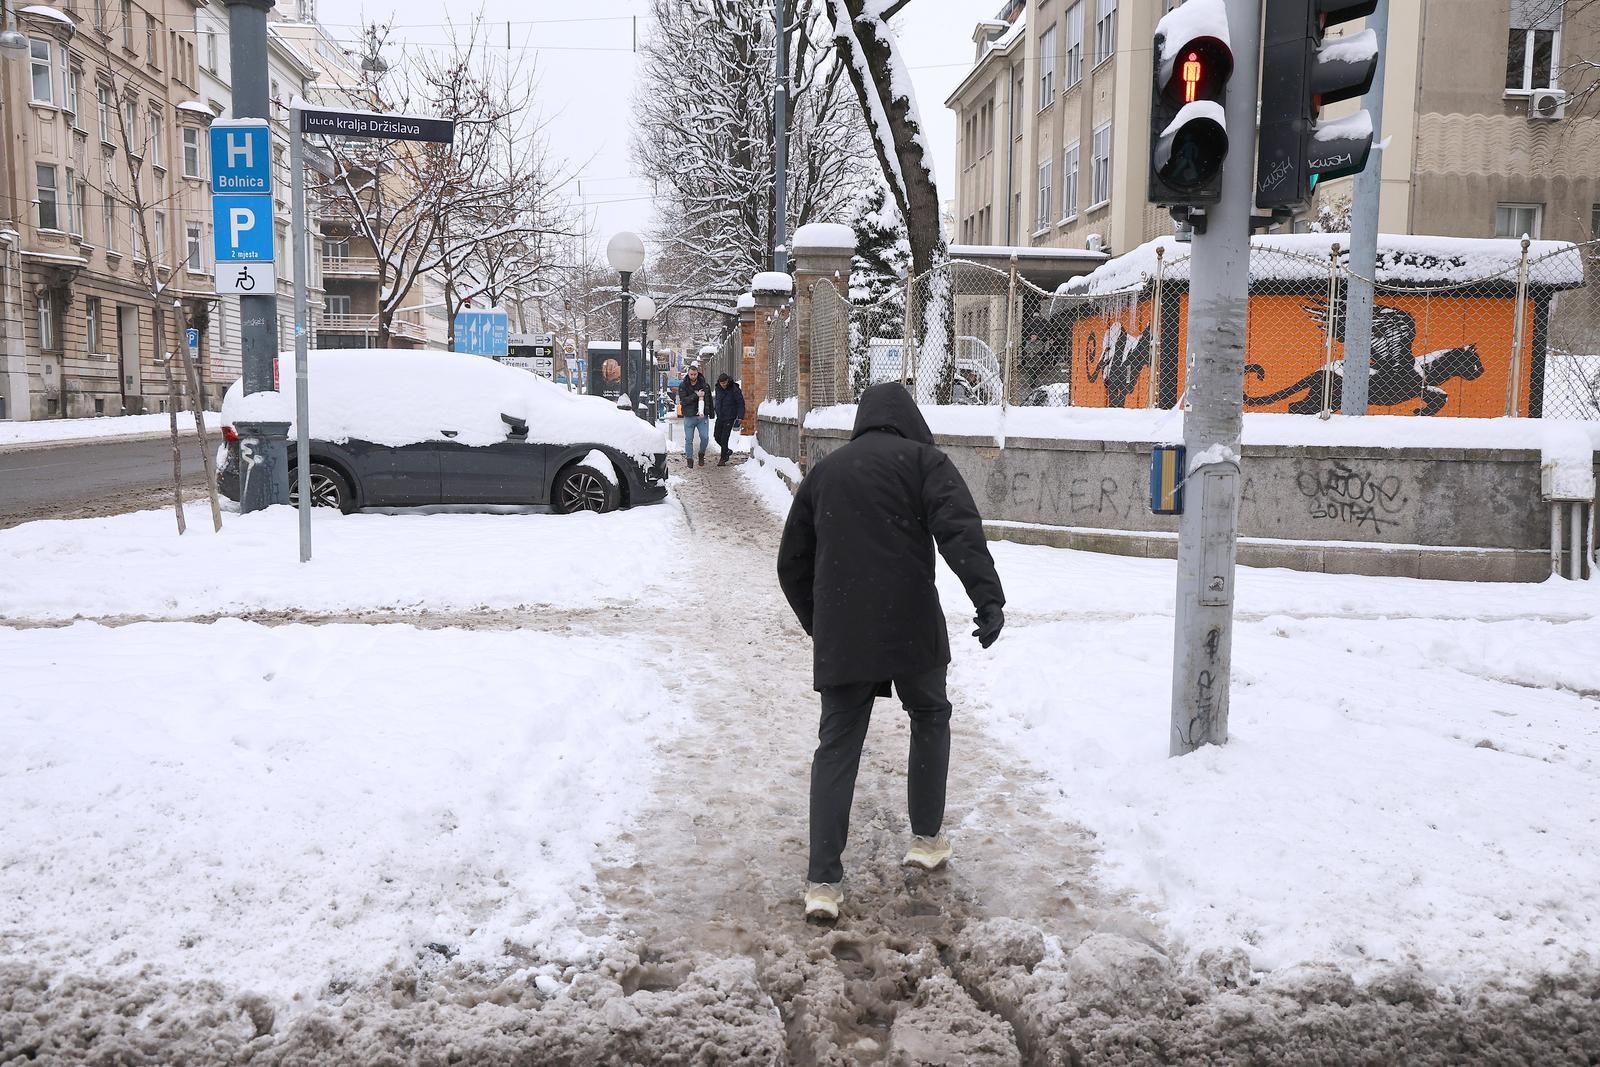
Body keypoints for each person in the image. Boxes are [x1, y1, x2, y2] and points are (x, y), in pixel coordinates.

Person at [776, 383, 1005, 922]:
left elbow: (791, 563)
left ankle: (823, 884)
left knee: (837, 745)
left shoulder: (825, 473)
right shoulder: (924, 462)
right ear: (909, 420)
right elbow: (960, 532)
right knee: (930, 714)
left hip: (845, 630)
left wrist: (821, 623)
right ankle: (926, 840)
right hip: (911, 624)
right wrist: (987, 599)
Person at [679, 364, 711, 467]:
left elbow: (709, 399)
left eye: (695, 374)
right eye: (691, 374)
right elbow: (683, 401)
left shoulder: (704, 385)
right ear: (688, 374)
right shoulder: (683, 385)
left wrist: (710, 413)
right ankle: (689, 459)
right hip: (689, 416)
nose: (693, 376)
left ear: (698, 373)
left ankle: (701, 454)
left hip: (702, 416)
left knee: (705, 437)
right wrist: (695, 395)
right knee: (689, 439)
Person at [712, 373, 745, 466]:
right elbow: (717, 401)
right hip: (720, 416)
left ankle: (723, 458)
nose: (723, 385)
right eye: (721, 383)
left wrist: (740, 416)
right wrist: (716, 411)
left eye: (724, 383)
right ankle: (726, 450)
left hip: (730, 416)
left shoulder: (734, 389)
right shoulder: (718, 388)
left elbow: (740, 403)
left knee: (724, 438)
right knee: (716, 436)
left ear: (727, 381)